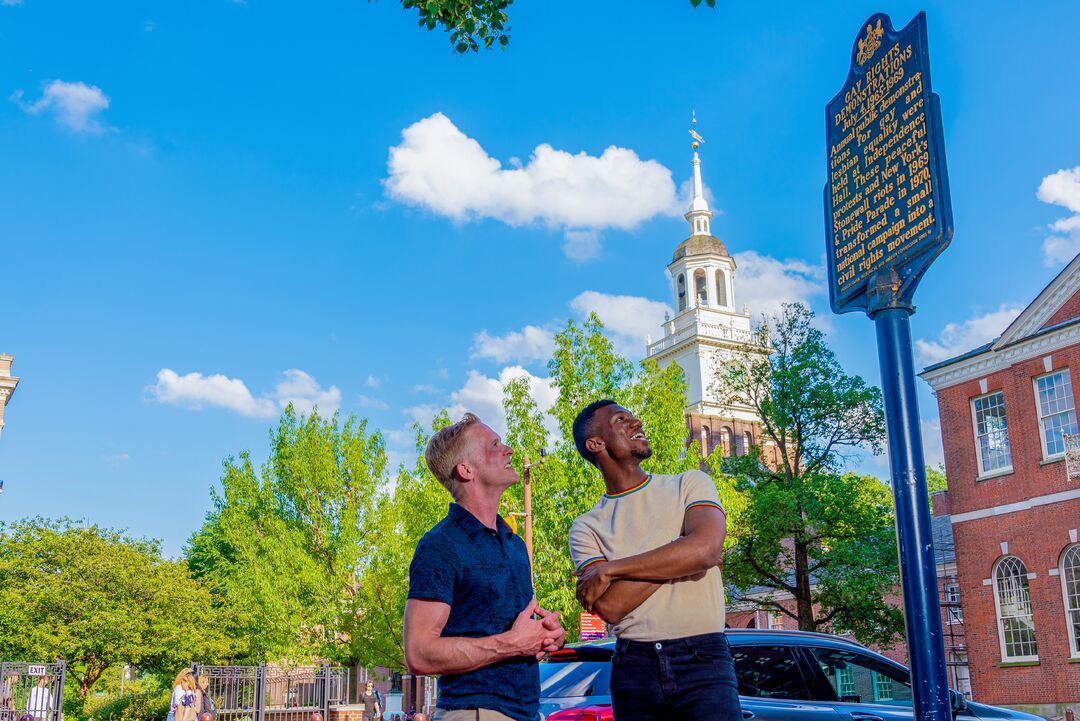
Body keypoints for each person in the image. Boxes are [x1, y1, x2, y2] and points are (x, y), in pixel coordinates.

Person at [568, 400, 740, 721]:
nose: (637, 422)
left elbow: (705, 550)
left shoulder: (689, 483)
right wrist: (679, 550)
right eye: (622, 420)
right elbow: (610, 607)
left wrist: (612, 569)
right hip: (635, 666)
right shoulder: (586, 526)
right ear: (596, 443)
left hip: (704, 659)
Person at [403, 412, 566, 721]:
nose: (509, 450)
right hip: (473, 713)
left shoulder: (514, 543)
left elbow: (517, 635)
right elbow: (418, 653)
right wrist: (512, 644)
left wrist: (547, 636)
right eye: (494, 444)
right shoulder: (440, 545)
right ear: (466, 470)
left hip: (528, 711)